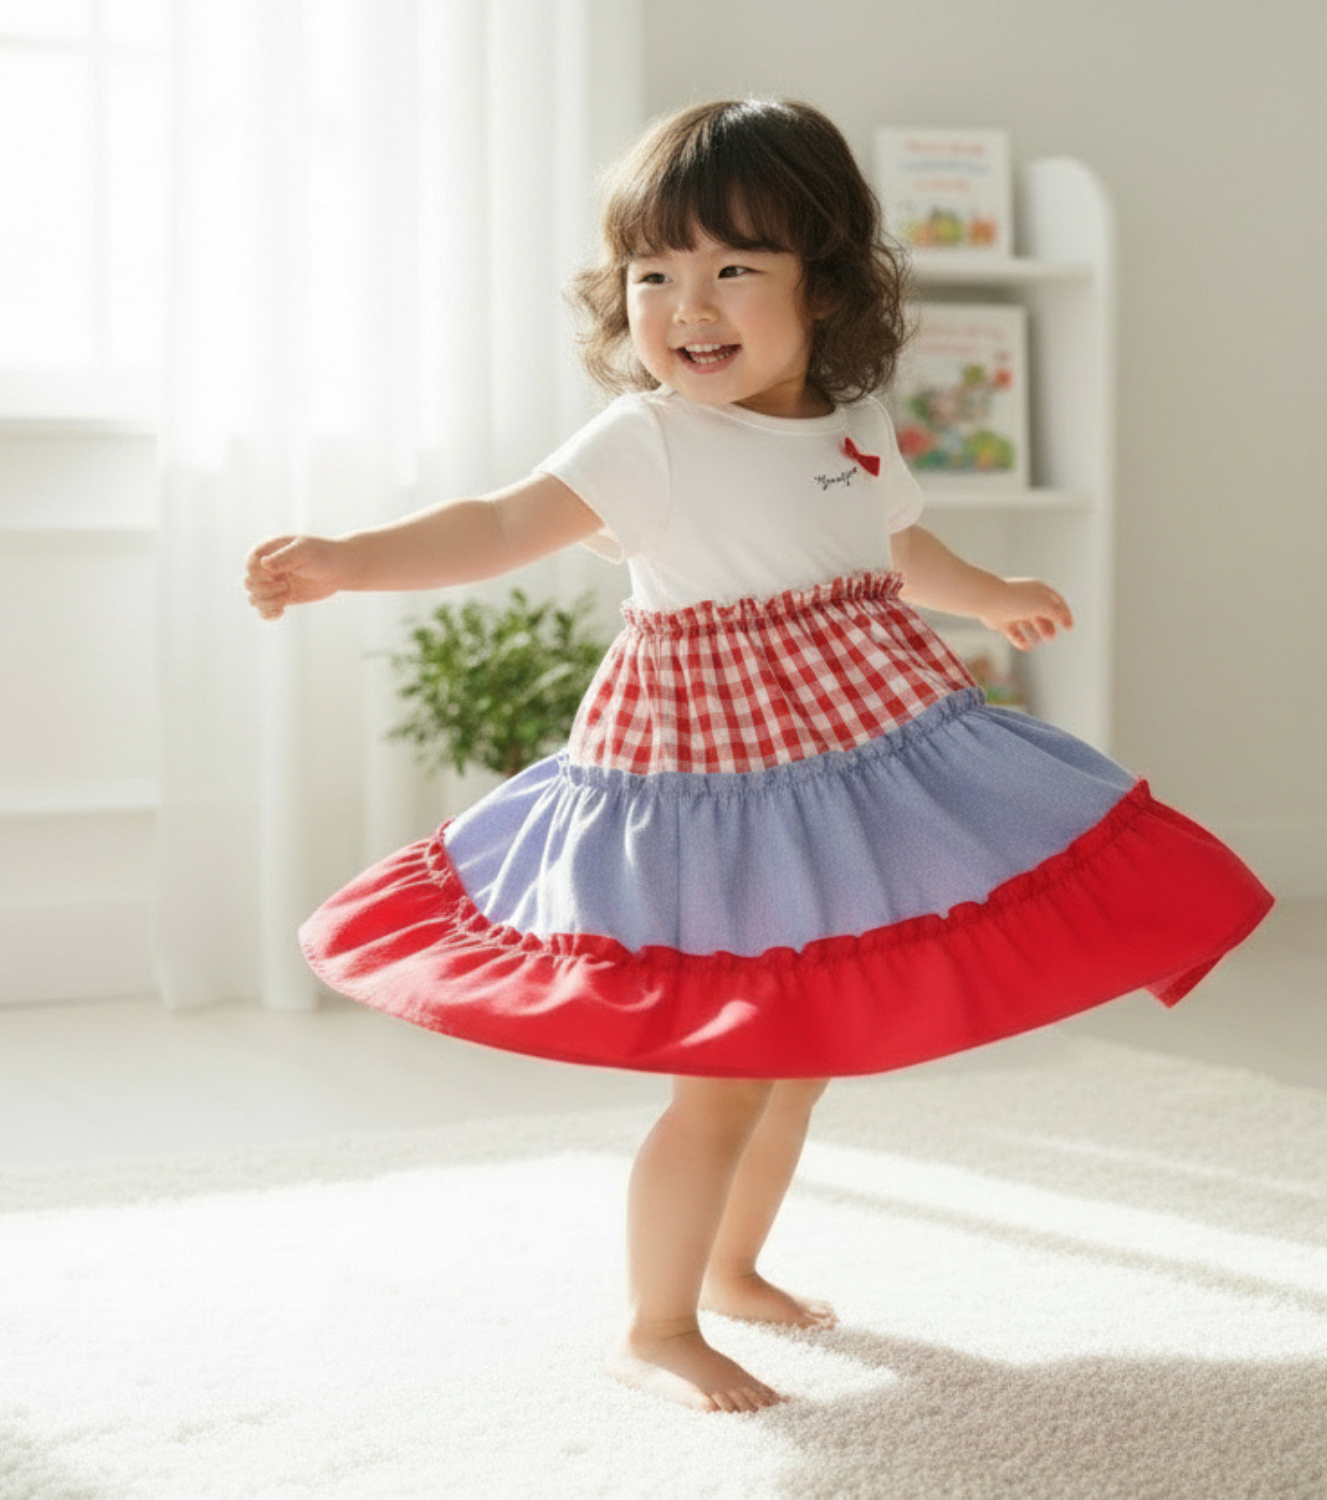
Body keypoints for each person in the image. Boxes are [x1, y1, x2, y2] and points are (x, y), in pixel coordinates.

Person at [245, 98, 1273, 1415]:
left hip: (850, 758)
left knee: (801, 1062)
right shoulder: (649, 439)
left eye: (734, 267)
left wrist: (990, 592)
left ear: (824, 287)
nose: (688, 305)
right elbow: (499, 524)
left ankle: (732, 1272)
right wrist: (348, 560)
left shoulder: (852, 427)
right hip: (709, 791)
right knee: (724, 1081)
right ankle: (656, 1325)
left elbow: (896, 544)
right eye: (653, 274)